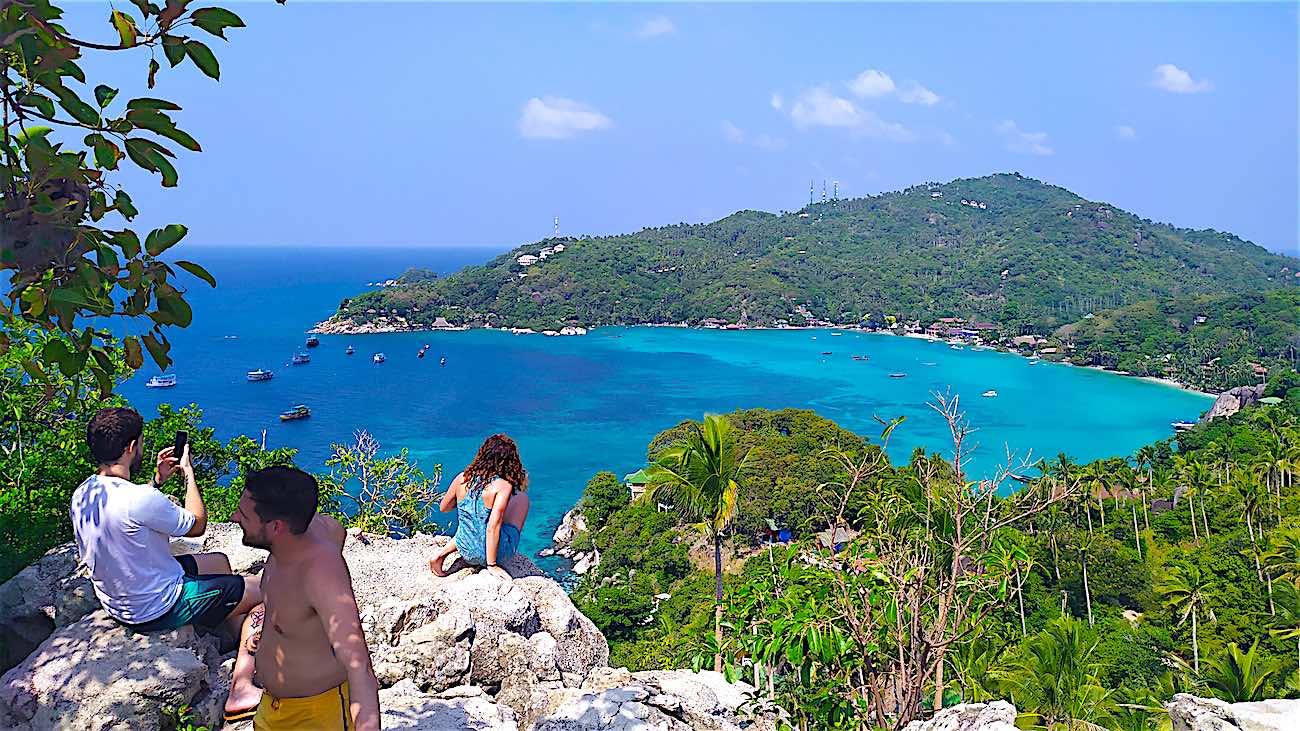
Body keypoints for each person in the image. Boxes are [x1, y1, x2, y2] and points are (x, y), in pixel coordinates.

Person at [70, 407, 264, 721]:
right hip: (157, 606)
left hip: (121, 599)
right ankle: (241, 686)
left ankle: (228, 635)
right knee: (266, 589)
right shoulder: (138, 500)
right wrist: (188, 475)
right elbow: (197, 524)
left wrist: (157, 481)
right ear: (132, 448)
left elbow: (131, 513)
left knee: (219, 561)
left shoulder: (84, 494)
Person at [233, 466, 379, 731]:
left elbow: (360, 669)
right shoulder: (308, 529)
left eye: (243, 514)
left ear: (276, 526)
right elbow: (337, 529)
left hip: (318, 715)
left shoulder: (321, 574)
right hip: (271, 707)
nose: (234, 517)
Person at [428, 433, 531, 581]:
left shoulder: (462, 478)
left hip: (466, 551)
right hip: (495, 554)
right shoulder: (503, 486)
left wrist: (470, 503)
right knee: (521, 499)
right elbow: (493, 525)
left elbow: (444, 508)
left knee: (470, 520)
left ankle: (440, 555)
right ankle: (495, 553)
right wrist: (492, 565)